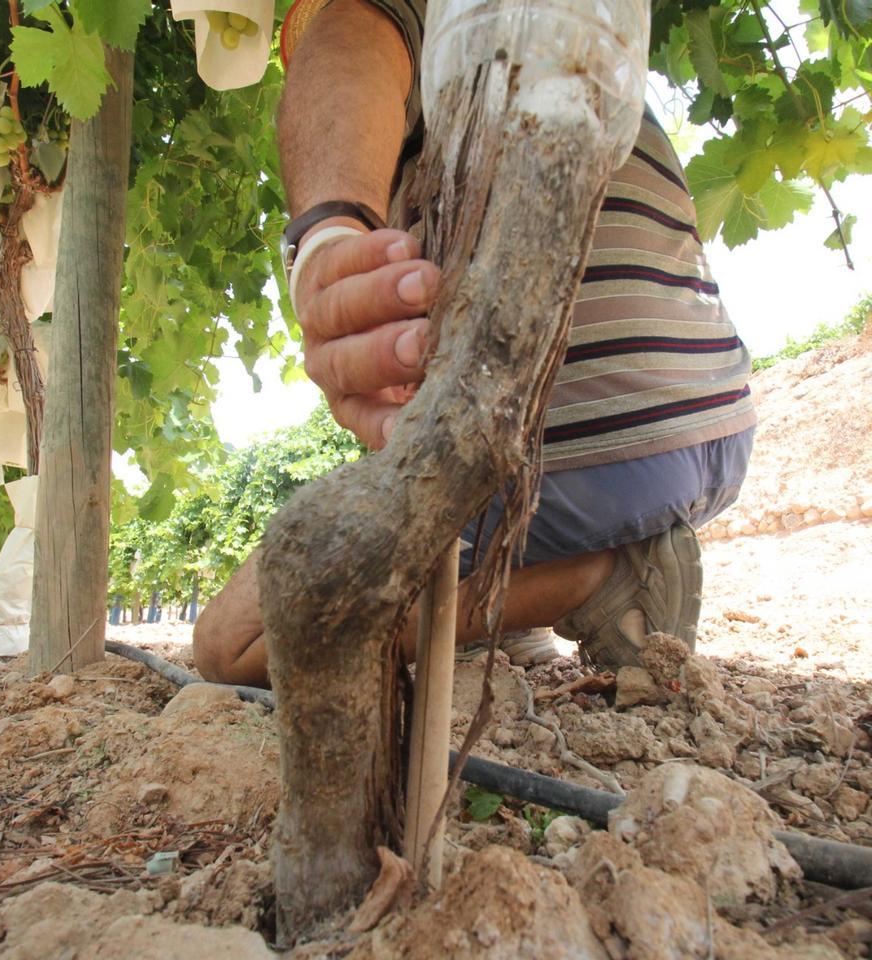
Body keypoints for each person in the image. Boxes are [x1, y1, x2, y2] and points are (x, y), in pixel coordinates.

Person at [193, 0, 755, 688]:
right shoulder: (595, 49)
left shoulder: (437, 27)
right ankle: (521, 598)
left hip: (558, 456)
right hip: (713, 425)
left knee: (238, 640)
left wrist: (328, 234)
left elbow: (354, 36)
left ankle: (602, 576)